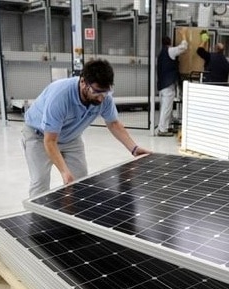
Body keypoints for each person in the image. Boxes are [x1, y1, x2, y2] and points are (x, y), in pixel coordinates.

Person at [22, 59, 151, 197]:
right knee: (40, 182)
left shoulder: (104, 97)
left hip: (71, 137)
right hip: (40, 136)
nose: (101, 98)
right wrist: (64, 172)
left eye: (105, 92)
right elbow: (50, 141)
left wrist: (134, 149)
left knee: (80, 181)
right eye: (97, 92)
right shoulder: (60, 97)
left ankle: (72, 216)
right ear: (83, 82)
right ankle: (38, 217)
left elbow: (114, 124)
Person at [156, 29, 188, 136]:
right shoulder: (170, 51)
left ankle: (167, 126)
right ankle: (162, 129)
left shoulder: (161, 54)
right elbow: (183, 47)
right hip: (167, 85)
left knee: (167, 107)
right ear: (170, 43)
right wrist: (183, 34)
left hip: (163, 84)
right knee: (166, 107)